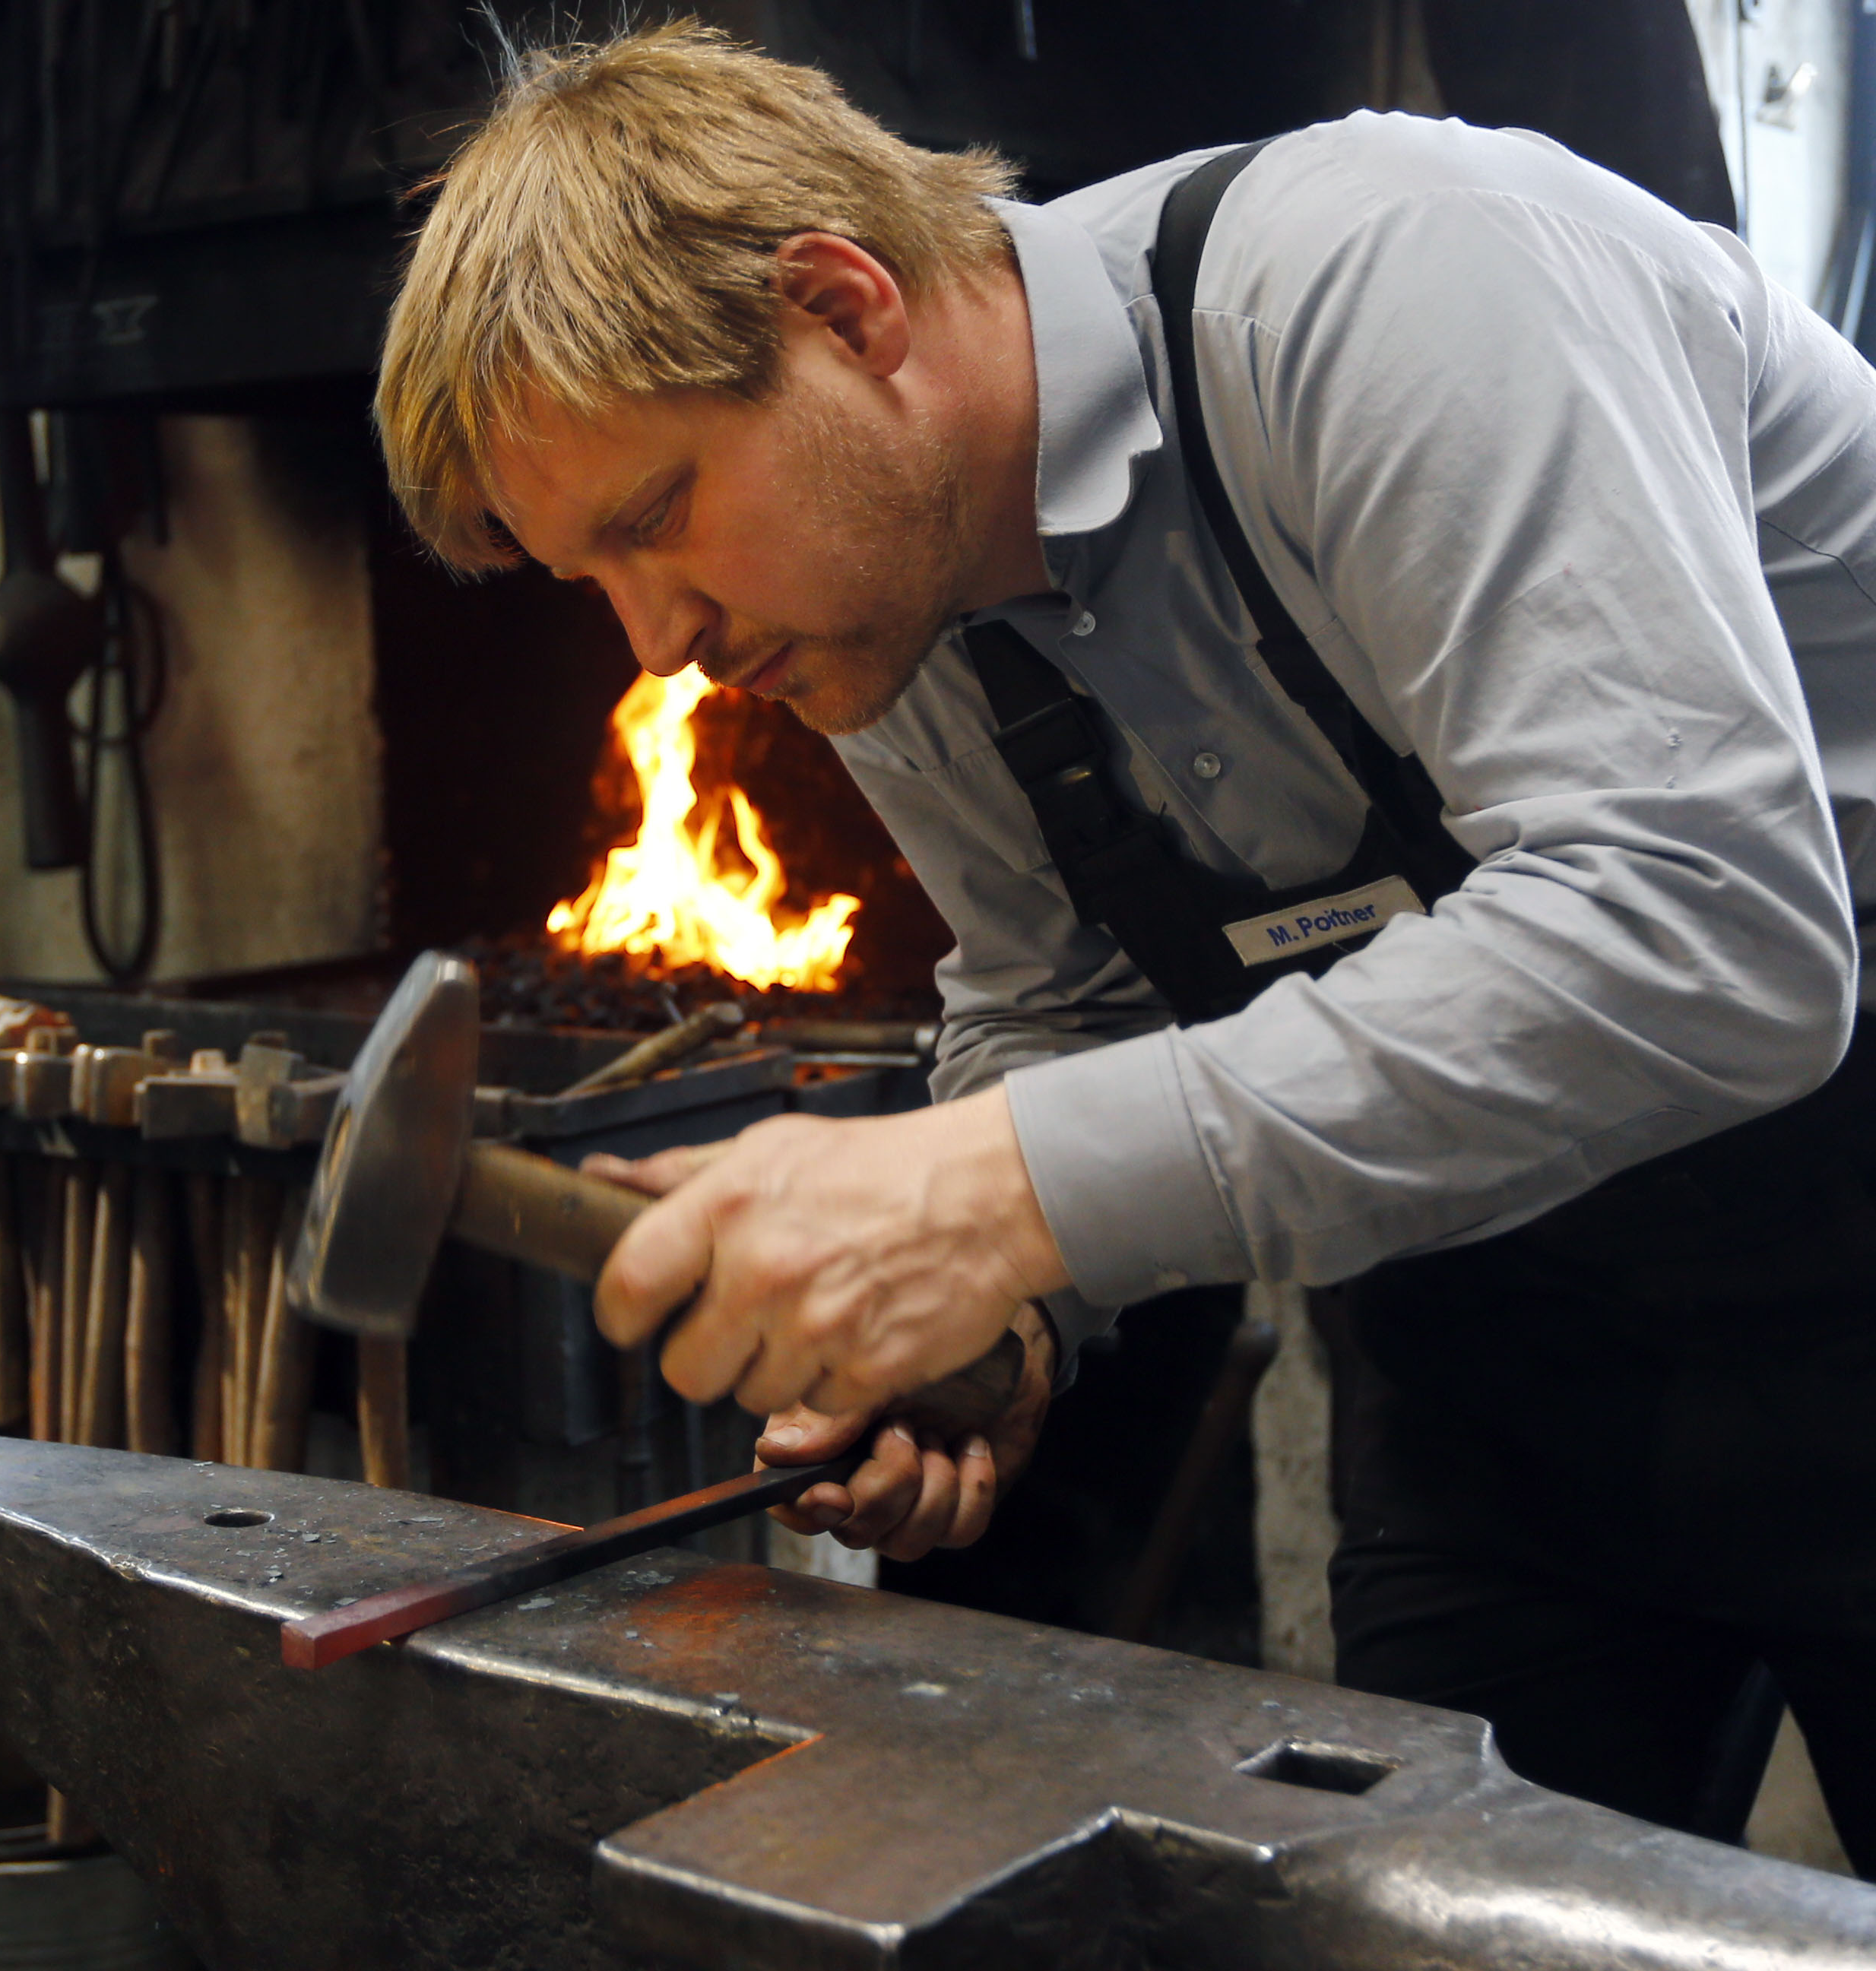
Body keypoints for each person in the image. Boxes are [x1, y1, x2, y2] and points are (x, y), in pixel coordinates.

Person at [372, 22, 1876, 1859]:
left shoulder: (1390, 287)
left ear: (845, 309)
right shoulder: (886, 597)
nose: (655, 639)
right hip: (1497, 1372)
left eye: (656, 517)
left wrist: (993, 1192)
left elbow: (1709, 926)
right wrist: (1004, 1324)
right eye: (586, 579)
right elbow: (1052, 994)